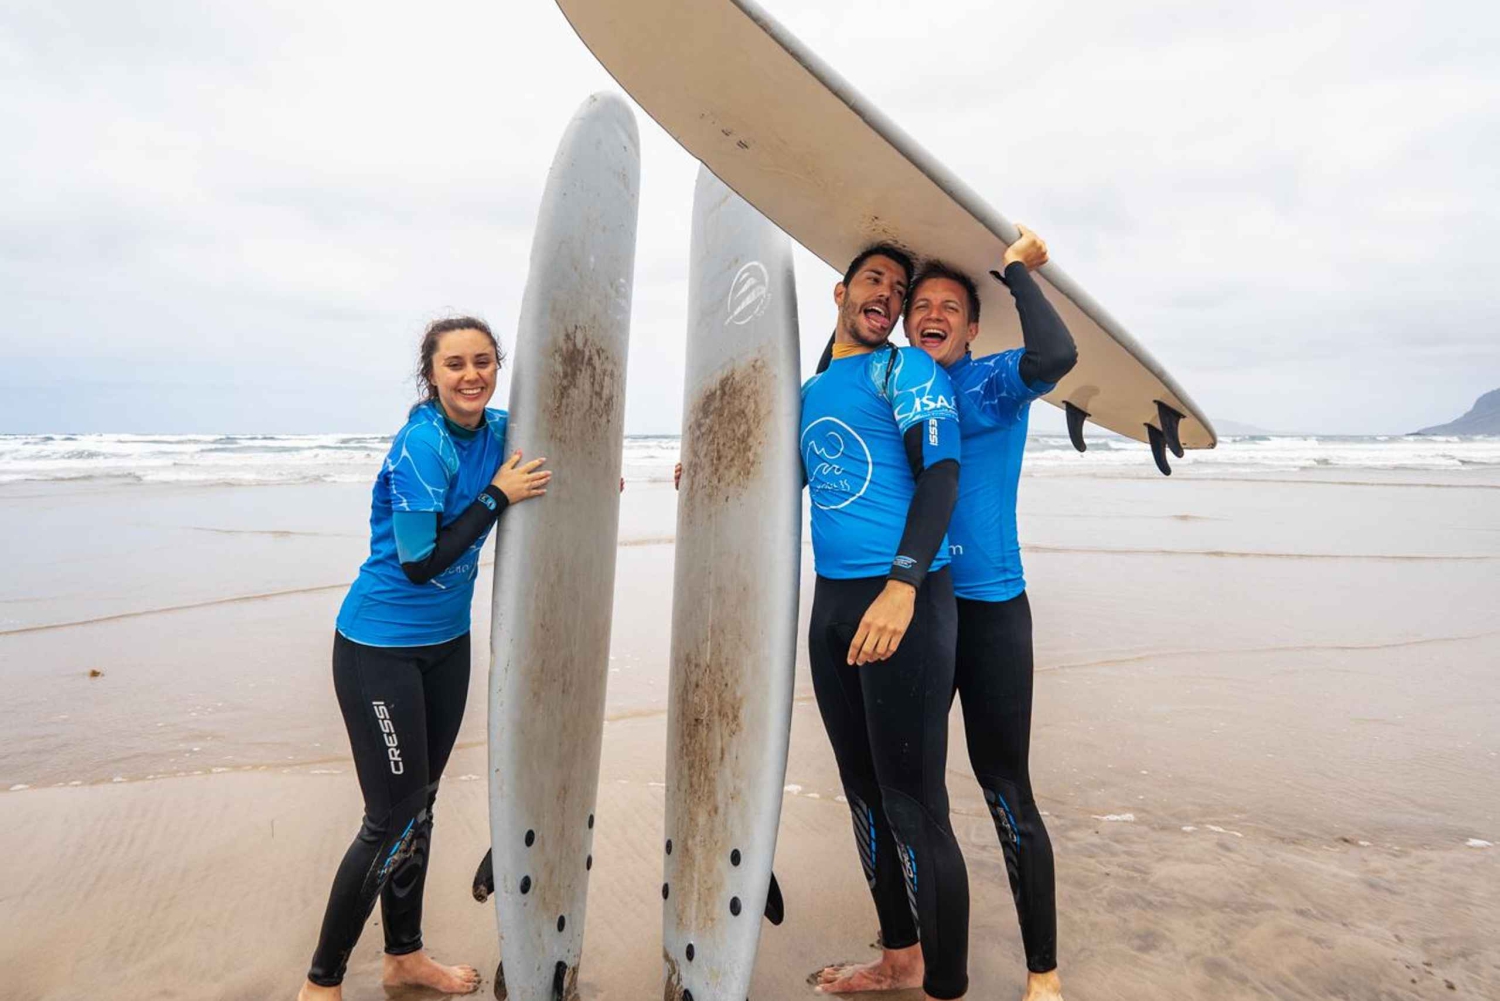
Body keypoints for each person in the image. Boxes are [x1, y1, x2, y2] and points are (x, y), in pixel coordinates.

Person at [298, 317, 551, 1001]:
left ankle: (403, 956)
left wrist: (593, 485)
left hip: (445, 647)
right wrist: (498, 496)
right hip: (379, 647)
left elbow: (553, 462)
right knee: (392, 816)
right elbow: (417, 562)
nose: (472, 375)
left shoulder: (497, 430)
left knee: (422, 807)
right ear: (431, 375)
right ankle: (320, 983)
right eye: (455, 364)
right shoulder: (423, 445)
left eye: (483, 361)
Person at [900, 226, 1077, 1001]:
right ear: (908, 321)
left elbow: (1057, 356)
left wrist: (1014, 274)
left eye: (950, 307)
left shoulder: (995, 380)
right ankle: (920, 945)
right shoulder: (893, 387)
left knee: (1004, 784)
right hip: (918, 610)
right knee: (914, 787)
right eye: (922, 305)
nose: (934, 314)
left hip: (993, 611)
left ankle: (1043, 969)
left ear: (971, 328)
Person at [802, 246, 971, 1001]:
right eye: (875, 281)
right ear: (842, 292)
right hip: (834, 604)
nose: (890, 297)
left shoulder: (907, 372)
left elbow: (940, 476)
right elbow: (793, 470)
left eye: (898, 290)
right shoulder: (811, 386)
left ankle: (948, 985)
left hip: (902, 598)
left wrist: (902, 586)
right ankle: (901, 957)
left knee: (913, 803)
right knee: (863, 792)